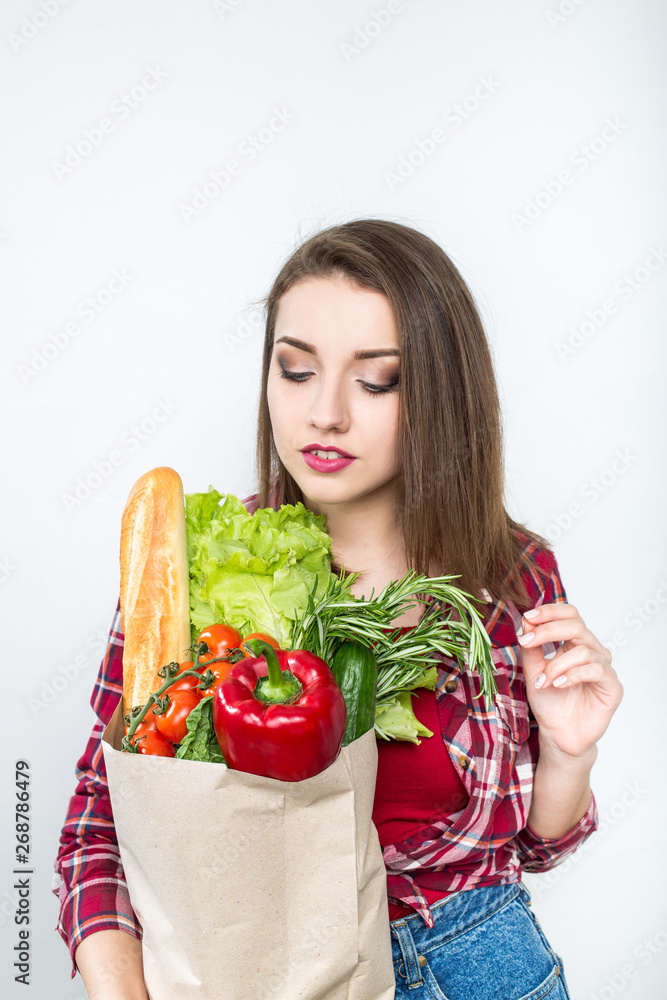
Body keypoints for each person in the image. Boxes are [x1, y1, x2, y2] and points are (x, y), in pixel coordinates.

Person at [54, 218, 623, 999]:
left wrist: (569, 754)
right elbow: (99, 824)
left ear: (440, 397)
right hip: (265, 975)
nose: (324, 413)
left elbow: (531, 848)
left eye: (375, 380)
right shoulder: (196, 571)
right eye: (294, 370)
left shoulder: (513, 575)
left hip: (485, 966)